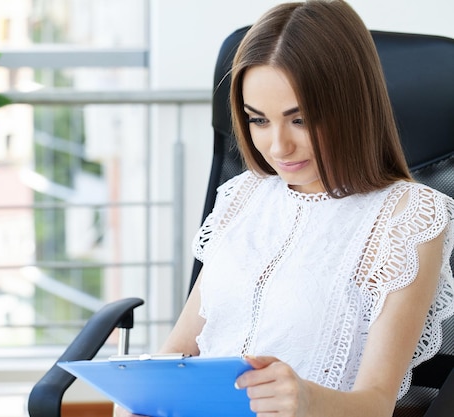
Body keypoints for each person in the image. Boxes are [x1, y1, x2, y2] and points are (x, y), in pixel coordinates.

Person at [116, 0, 454, 416]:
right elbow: (179, 349)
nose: (278, 147)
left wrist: (306, 399)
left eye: (300, 120)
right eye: (258, 120)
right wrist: (140, 397)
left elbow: (377, 404)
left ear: (351, 107)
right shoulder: (243, 196)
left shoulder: (408, 216)